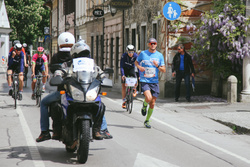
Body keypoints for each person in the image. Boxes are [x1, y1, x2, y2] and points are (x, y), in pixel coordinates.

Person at [36, 32, 75, 142]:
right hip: (77, 91)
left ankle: (45, 132)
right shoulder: (77, 56)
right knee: (97, 101)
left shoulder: (56, 56)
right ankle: (101, 129)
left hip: (64, 91)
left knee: (44, 102)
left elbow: (52, 69)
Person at [135, 38, 166, 128]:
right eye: (151, 43)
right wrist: (139, 67)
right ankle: (144, 105)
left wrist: (157, 65)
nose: (153, 45)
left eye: (154, 43)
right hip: (145, 80)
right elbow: (136, 62)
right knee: (148, 97)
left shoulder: (159, 55)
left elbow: (163, 70)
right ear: (148, 44)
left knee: (152, 103)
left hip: (154, 81)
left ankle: (147, 120)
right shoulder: (143, 54)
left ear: (156, 44)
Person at [120, 44, 138, 109]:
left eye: (132, 52)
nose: (131, 54)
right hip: (125, 69)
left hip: (131, 68)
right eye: (129, 52)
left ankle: (134, 89)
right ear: (127, 52)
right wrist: (123, 75)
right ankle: (124, 101)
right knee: (123, 86)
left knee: (136, 77)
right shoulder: (124, 56)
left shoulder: (136, 56)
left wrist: (140, 75)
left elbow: (138, 65)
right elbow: (121, 66)